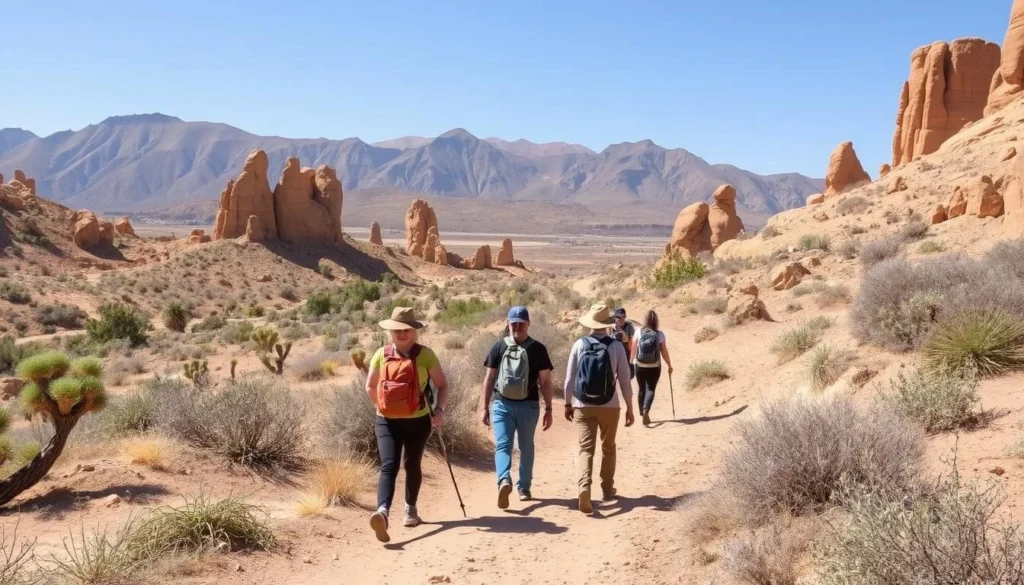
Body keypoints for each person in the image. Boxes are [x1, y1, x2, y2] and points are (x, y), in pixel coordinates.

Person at [365, 307, 449, 543]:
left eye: (406, 329)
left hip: (407, 420)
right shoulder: (384, 354)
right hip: (394, 420)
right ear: (391, 331)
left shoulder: (423, 355)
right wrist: (383, 407)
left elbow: (442, 385)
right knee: (396, 465)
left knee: (404, 464)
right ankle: (389, 512)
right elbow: (371, 386)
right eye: (397, 330)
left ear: (414, 331)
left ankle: (400, 509)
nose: (401, 333)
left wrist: (440, 410)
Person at [563, 303, 635, 514]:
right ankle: (607, 489)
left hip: (583, 405)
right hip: (610, 405)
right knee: (608, 447)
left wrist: (568, 404)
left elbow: (569, 379)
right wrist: (630, 408)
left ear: (590, 324)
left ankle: (584, 488)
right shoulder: (616, 347)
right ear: (607, 325)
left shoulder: (579, 345)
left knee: (586, 449)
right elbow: (624, 381)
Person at [480, 306, 555, 508]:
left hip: (520, 405)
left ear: (528, 324)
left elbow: (546, 383)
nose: (517, 327)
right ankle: (511, 483)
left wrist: (549, 408)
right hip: (505, 404)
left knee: (517, 446)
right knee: (516, 446)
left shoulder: (533, 349)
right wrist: (484, 406)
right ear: (508, 324)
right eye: (514, 323)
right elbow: (489, 378)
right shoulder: (507, 347)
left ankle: (516, 484)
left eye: (521, 323)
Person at [631, 309, 673, 426]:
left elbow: (633, 349)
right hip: (655, 366)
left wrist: (631, 361)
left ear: (645, 320)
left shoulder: (638, 332)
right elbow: (664, 352)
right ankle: (646, 410)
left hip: (639, 365)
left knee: (641, 389)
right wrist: (669, 365)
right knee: (650, 389)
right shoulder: (659, 334)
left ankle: (641, 413)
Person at [611, 308, 636, 381]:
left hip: (626, 354)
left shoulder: (629, 327)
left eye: (621, 317)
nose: (619, 319)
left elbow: (633, 342)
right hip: (614, 354)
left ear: (625, 317)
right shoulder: (611, 328)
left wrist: (632, 359)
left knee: (628, 377)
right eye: (617, 317)